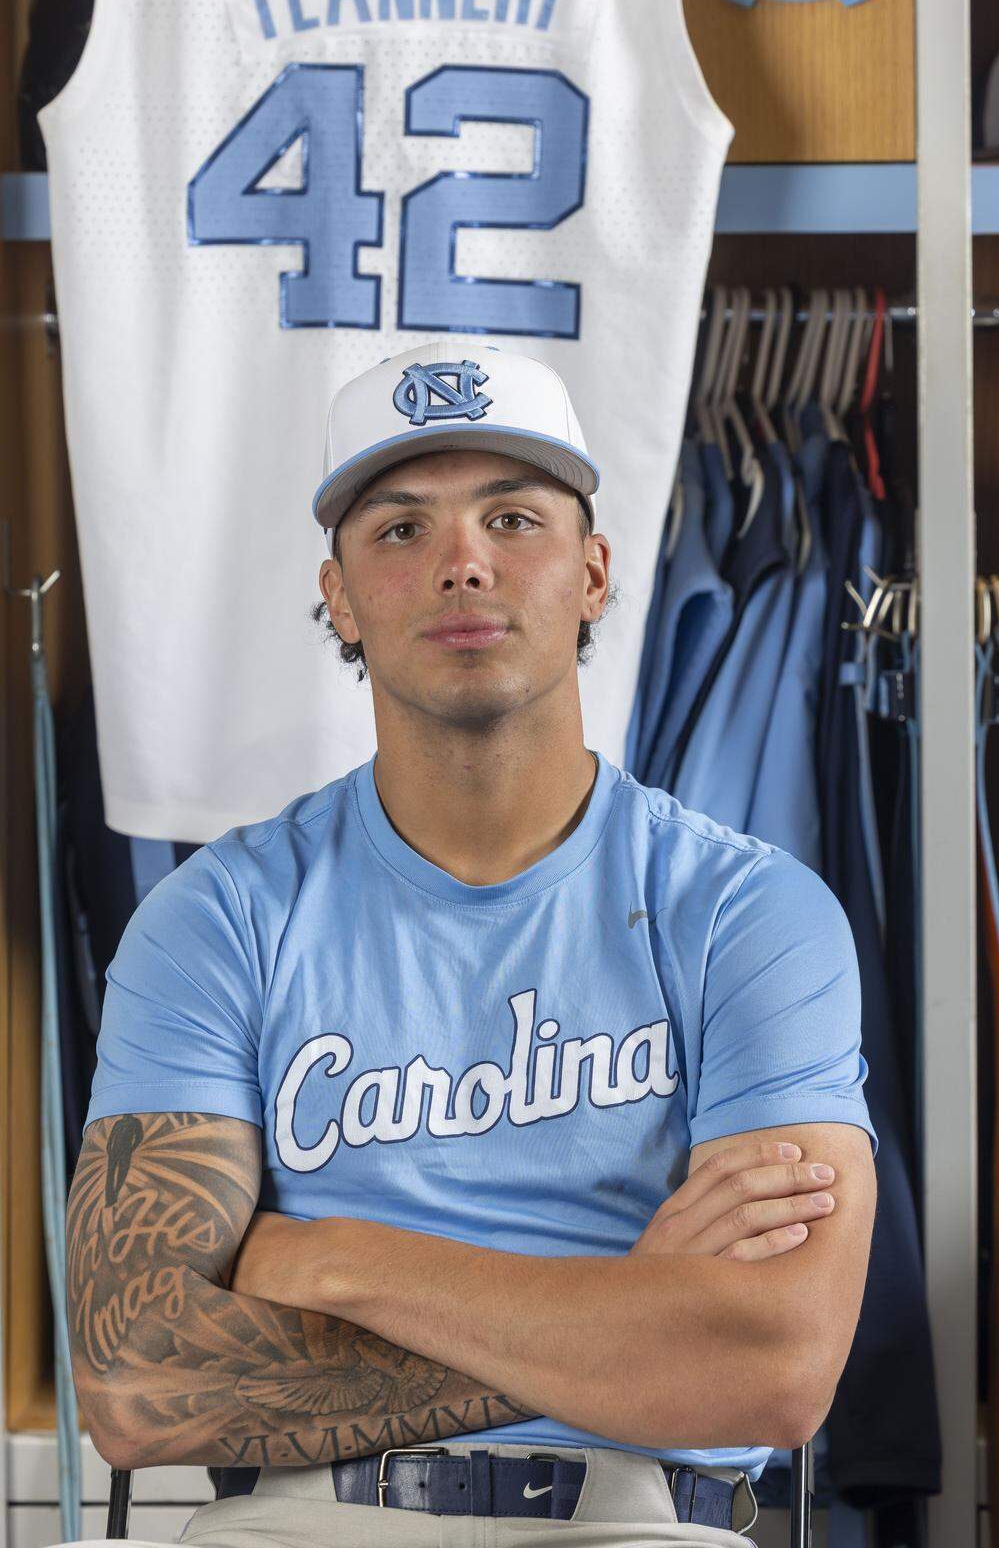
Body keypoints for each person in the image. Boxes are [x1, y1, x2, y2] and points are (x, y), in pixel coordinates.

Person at [62, 339, 878, 1548]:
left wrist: (338, 1259)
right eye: (399, 529)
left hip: (639, 1524)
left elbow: (772, 1374)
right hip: (299, 1527)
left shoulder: (749, 914)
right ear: (336, 594)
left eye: (514, 518)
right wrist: (635, 1326)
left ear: (595, 572)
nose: (462, 565)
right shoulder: (217, 919)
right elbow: (136, 1387)